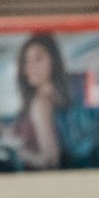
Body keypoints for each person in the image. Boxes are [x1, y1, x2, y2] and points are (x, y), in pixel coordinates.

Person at [11, 33, 69, 170]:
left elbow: (50, 160)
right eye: (26, 61)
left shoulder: (41, 103)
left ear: (53, 61)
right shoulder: (59, 98)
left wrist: (17, 152)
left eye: (38, 59)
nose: (30, 67)